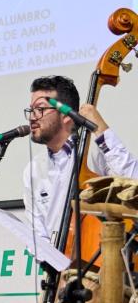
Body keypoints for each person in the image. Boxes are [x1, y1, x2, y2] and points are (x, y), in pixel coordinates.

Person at [23, 75, 138, 243]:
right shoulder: (32, 169)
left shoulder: (95, 151)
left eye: (40, 109)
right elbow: (37, 234)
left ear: (66, 115)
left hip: (103, 259)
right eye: (31, 110)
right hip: (59, 265)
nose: (33, 117)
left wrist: (101, 130)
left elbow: (134, 180)